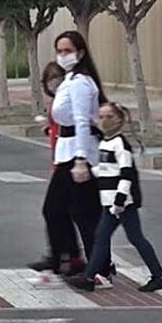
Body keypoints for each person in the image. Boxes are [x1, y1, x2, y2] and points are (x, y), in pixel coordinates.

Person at [68, 102, 162, 293]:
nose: (104, 121)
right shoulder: (106, 142)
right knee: (111, 237)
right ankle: (158, 276)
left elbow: (126, 173)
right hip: (110, 201)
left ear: (119, 120)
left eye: (109, 117)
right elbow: (107, 169)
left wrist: (120, 201)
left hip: (120, 203)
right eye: (101, 116)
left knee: (127, 238)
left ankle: (90, 277)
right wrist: (89, 173)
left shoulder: (120, 144)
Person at [34, 31, 106, 276]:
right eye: (59, 51)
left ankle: (98, 269)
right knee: (59, 210)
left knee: (83, 214)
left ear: (81, 53)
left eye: (67, 51)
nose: (63, 56)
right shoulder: (70, 81)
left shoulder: (81, 83)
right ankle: (64, 257)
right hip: (67, 151)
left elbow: (82, 121)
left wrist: (81, 159)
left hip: (78, 152)